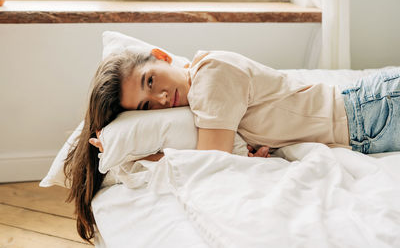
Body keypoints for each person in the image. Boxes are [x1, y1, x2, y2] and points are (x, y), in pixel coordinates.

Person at [65, 48, 400, 243]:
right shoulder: (200, 105)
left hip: (373, 111)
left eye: (150, 81)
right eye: (146, 107)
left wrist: (140, 157)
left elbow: (212, 161)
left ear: (161, 56)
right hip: (367, 125)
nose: (161, 98)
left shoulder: (210, 75)